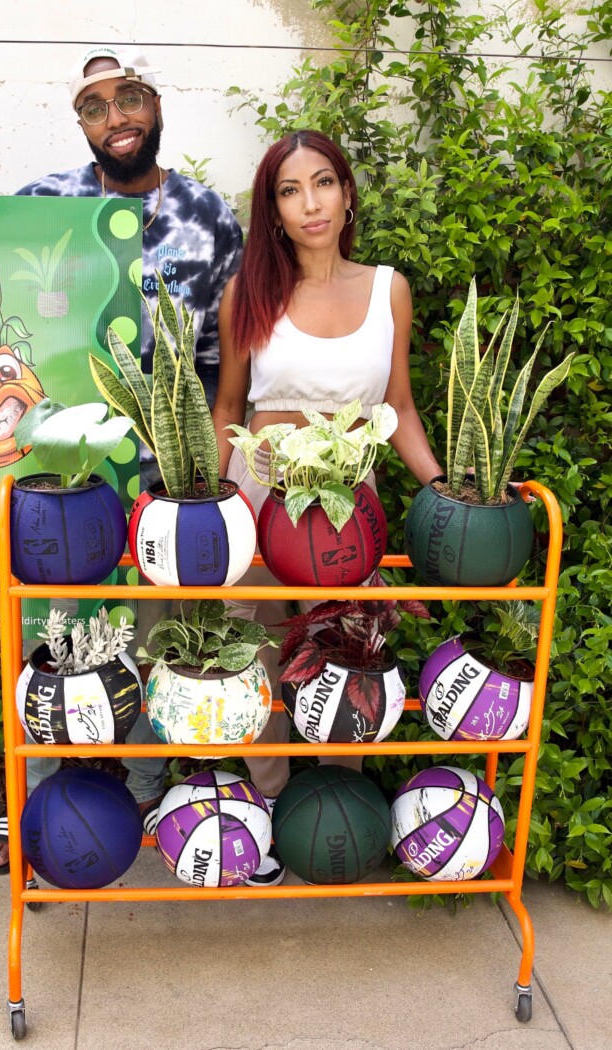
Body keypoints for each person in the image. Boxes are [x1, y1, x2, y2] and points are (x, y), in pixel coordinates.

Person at [0, 46, 243, 875]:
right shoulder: (46, 203)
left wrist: (203, 470)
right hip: (66, 471)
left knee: (151, 632)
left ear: (155, 107)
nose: (117, 117)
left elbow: (225, 358)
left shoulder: (208, 214)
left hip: (161, 470)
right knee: (54, 629)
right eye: (96, 106)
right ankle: (34, 798)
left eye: (131, 98)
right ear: (82, 122)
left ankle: (142, 789)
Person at [211, 130, 442, 885]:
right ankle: (272, 808)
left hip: (349, 511)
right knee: (261, 661)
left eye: (323, 184)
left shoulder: (388, 289)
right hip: (261, 498)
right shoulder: (249, 292)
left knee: (346, 658)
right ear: (272, 212)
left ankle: (334, 805)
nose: (309, 203)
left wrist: (447, 489)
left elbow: (400, 405)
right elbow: (228, 410)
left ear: (346, 195)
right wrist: (197, 507)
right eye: (288, 190)